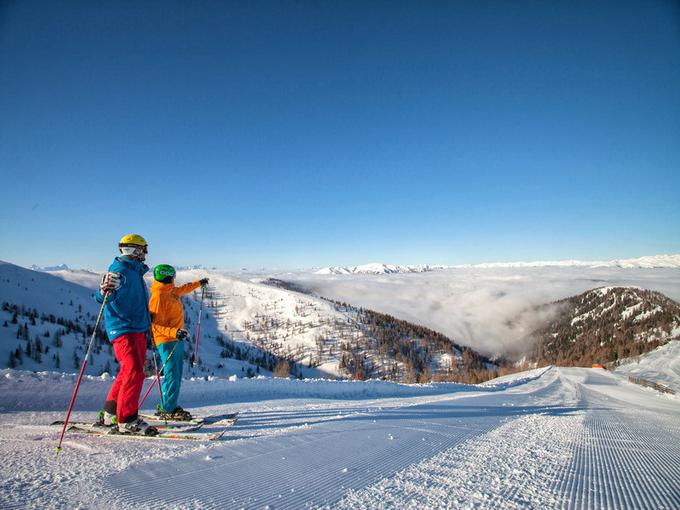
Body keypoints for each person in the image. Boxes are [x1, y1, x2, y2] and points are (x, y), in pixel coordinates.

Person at [97, 234, 157, 435]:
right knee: (134, 372)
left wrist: (148, 318)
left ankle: (111, 413)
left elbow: (133, 300)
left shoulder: (134, 272)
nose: (145, 254)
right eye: (143, 249)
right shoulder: (120, 270)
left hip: (137, 328)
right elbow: (104, 296)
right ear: (133, 250)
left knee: (127, 372)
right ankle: (127, 419)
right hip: (124, 328)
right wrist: (104, 290)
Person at [148, 263, 208, 421]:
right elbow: (155, 326)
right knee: (172, 375)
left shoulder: (170, 290)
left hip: (176, 338)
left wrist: (198, 283)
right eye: (172, 277)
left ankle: (167, 404)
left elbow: (183, 289)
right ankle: (168, 408)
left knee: (174, 374)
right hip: (166, 340)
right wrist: (174, 332)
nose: (174, 280)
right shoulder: (158, 296)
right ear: (168, 277)